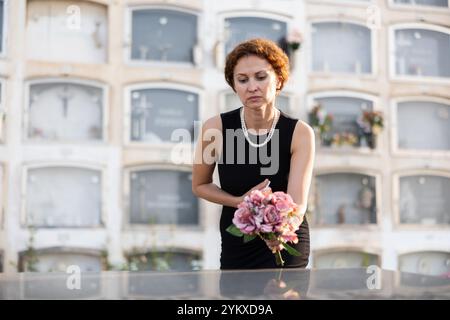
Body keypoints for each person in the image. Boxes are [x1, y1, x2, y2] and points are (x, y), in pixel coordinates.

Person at [192, 38, 315, 270]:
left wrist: (276, 234)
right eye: (242, 80)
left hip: (284, 244)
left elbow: (297, 204)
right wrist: (238, 202)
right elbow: (199, 185)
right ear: (234, 86)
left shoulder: (300, 133)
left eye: (261, 77)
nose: (252, 87)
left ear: (278, 79)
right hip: (238, 241)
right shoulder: (213, 129)